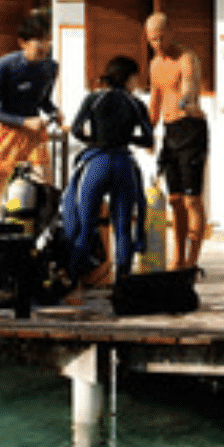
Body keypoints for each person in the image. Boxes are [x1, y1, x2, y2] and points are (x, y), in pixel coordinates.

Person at [64, 54, 154, 288]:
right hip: (123, 163)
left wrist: (95, 140)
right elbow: (147, 139)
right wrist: (126, 138)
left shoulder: (93, 99)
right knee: (123, 229)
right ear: (128, 79)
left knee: (85, 228)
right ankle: (122, 286)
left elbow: (75, 130)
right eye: (136, 78)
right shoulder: (136, 104)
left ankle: (72, 283)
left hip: (97, 162)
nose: (138, 83)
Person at [146, 13, 208, 272]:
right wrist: (146, 132)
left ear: (171, 32)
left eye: (161, 37)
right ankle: (178, 256)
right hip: (170, 131)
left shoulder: (187, 58)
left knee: (192, 200)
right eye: (152, 39)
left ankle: (193, 259)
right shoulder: (155, 65)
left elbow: (189, 86)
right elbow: (155, 101)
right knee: (174, 199)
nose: (158, 44)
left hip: (191, 128)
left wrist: (186, 100)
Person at [0, 10, 60, 212]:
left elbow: (43, 100)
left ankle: (40, 237)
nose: (45, 46)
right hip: (4, 134)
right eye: (39, 41)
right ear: (23, 43)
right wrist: (23, 121)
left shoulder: (51, 68)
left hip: (32, 135)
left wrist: (54, 112)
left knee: (46, 190)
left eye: (47, 40)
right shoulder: (3, 67)